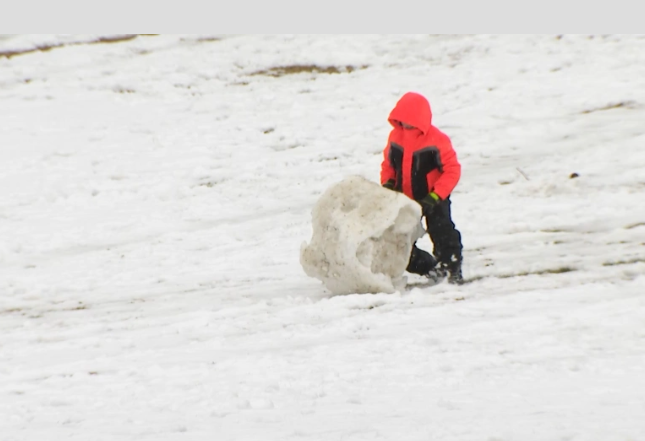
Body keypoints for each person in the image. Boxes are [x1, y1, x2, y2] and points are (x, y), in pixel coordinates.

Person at [380, 92, 464, 284]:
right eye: (402, 121)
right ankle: (429, 268)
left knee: (442, 231)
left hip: (435, 198)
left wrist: (435, 197)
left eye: (410, 122)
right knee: (398, 239)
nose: (406, 126)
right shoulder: (395, 137)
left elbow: (452, 170)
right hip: (405, 200)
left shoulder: (437, 140)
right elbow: (388, 166)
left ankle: (451, 267)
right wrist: (388, 185)